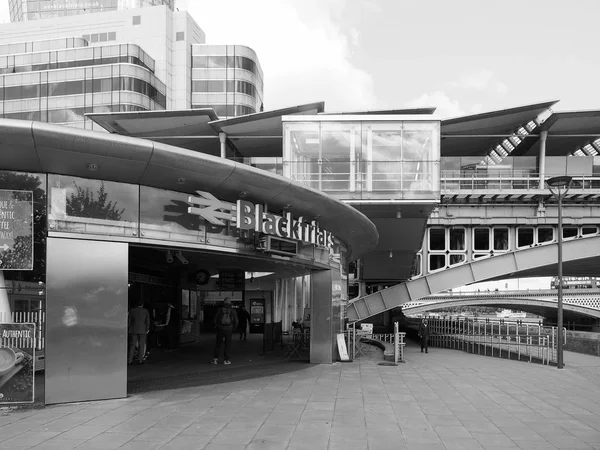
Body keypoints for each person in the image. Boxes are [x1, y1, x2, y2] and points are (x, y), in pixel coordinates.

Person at [211, 297, 238, 365]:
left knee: (218, 344)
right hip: (229, 329)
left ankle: (215, 360)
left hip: (220, 329)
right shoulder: (233, 311)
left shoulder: (219, 309)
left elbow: (215, 319)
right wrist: (233, 328)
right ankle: (226, 360)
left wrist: (216, 326)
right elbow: (236, 321)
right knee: (227, 345)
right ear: (230, 303)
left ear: (224, 302)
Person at [128, 300, 150, 365]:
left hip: (133, 330)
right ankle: (140, 360)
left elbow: (129, 320)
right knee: (142, 345)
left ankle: (130, 361)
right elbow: (147, 321)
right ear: (142, 305)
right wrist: (147, 329)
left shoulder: (132, 310)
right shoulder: (145, 311)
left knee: (132, 345)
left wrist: (129, 328)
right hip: (142, 330)